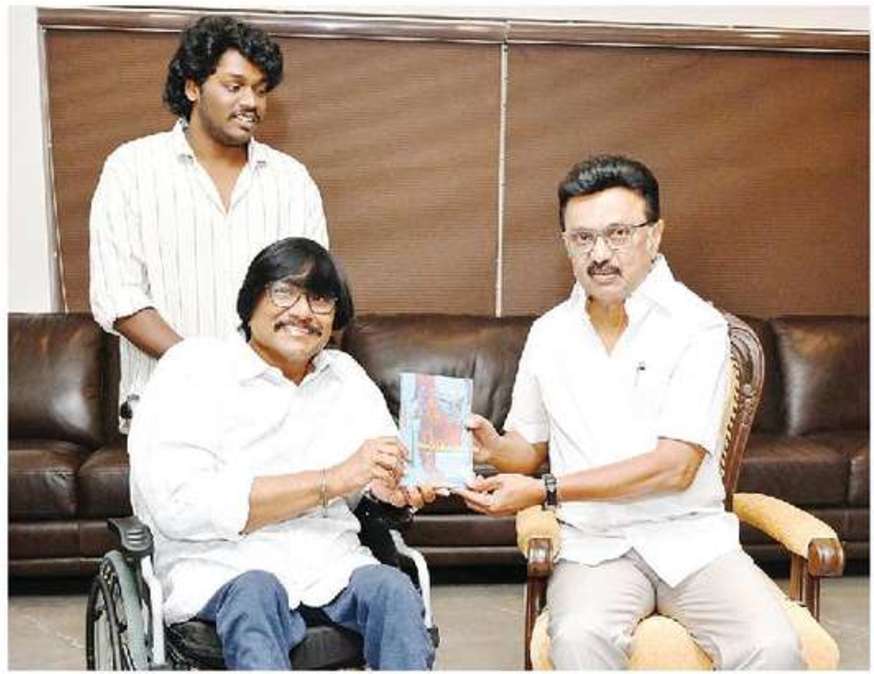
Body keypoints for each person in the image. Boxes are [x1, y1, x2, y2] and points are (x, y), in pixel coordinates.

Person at [456, 155, 802, 669]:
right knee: (579, 638)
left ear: (654, 234)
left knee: (773, 646)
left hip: (692, 540)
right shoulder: (549, 334)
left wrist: (546, 491)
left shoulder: (697, 326)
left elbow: (675, 467)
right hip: (595, 545)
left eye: (617, 234)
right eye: (582, 238)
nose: (599, 254)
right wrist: (494, 449)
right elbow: (528, 448)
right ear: (566, 244)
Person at [127, 237, 435, 670]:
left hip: (330, 562)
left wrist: (390, 493)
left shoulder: (346, 378)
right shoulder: (192, 369)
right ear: (251, 301)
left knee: (394, 591)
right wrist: (332, 479)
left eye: (320, 299)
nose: (303, 312)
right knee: (256, 593)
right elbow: (179, 505)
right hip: (223, 565)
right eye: (284, 292)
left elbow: (378, 476)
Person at [90, 15, 328, 429]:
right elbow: (119, 298)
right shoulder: (131, 169)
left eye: (260, 90)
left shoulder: (292, 181)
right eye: (235, 86)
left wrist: (255, 377)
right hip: (169, 406)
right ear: (193, 87)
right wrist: (205, 370)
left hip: (271, 409)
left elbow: (311, 296)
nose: (252, 102)